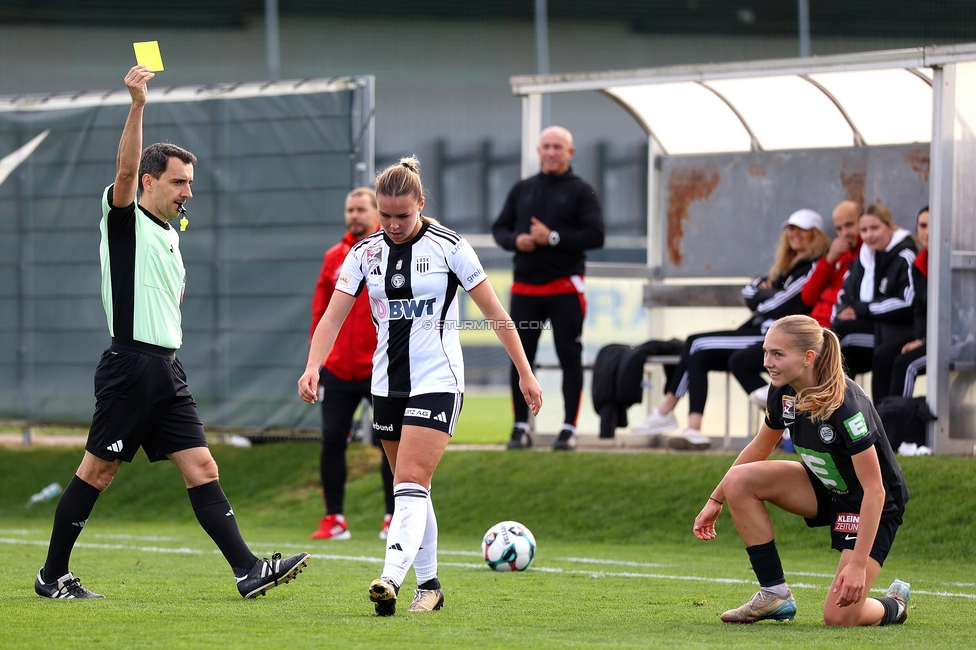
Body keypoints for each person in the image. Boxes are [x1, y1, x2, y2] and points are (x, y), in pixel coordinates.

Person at [34, 65, 309, 600]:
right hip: (131, 367)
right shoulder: (125, 219)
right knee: (97, 473)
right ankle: (51, 577)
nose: (187, 191)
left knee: (202, 465)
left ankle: (248, 570)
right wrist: (137, 105)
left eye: (189, 182)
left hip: (166, 369)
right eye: (179, 181)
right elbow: (124, 165)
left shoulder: (169, 235)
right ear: (149, 182)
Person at [298, 157, 543, 616]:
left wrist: (525, 372)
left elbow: (495, 312)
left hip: (438, 380)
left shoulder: (451, 247)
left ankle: (390, 577)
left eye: (402, 216)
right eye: (384, 215)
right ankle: (429, 586)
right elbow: (333, 316)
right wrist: (314, 366)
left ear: (421, 205)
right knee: (414, 488)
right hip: (387, 383)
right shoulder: (363, 253)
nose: (392, 225)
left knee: (407, 480)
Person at [693, 314, 910, 626]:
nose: (768, 362)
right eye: (766, 352)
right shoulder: (782, 390)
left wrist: (858, 565)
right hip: (824, 487)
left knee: (839, 618)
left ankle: (895, 604)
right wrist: (715, 500)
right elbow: (758, 448)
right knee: (738, 480)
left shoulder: (847, 405)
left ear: (809, 357)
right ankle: (774, 594)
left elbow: (875, 490)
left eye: (778, 354)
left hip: (873, 505)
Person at [634, 209, 829, 450]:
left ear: (816, 235)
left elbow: (777, 304)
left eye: (802, 230)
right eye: (792, 229)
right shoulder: (786, 266)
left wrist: (764, 295)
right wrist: (765, 294)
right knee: (698, 352)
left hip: (772, 335)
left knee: (696, 343)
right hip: (760, 330)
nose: (795, 234)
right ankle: (693, 429)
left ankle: (666, 411)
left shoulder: (814, 266)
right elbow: (749, 292)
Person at [491, 126, 605, 451]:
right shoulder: (522, 189)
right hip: (526, 290)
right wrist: (516, 240)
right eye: (546, 147)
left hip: (564, 288)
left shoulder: (581, 191)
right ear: (538, 151)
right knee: (520, 358)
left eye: (558, 147)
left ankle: (568, 428)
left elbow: (596, 235)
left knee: (569, 355)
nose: (551, 152)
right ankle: (520, 426)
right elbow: (499, 228)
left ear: (570, 152)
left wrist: (552, 238)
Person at [308, 187, 395, 541]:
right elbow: (320, 313)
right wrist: (314, 363)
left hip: (380, 366)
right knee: (332, 441)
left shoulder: (390, 253)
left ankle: (394, 517)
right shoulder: (334, 257)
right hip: (338, 369)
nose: (354, 216)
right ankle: (334, 519)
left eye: (361, 209)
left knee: (390, 442)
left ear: (376, 213)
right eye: (350, 209)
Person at [730, 200, 861, 409]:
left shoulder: (855, 255)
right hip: (811, 327)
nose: (845, 233)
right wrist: (830, 259)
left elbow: (787, 303)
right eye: (839, 228)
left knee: (700, 347)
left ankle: (785, 404)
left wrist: (766, 300)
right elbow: (754, 292)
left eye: (850, 225)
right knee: (729, 356)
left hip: (821, 329)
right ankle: (784, 412)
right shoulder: (831, 257)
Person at [832, 204, 919, 403]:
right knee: (843, 356)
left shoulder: (905, 256)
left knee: (837, 338)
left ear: (889, 226)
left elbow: (907, 302)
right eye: (864, 230)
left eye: (875, 228)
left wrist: (862, 308)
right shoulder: (864, 257)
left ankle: (879, 420)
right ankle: (839, 413)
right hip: (873, 328)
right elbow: (845, 292)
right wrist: (844, 310)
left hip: (898, 330)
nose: (869, 235)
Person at [887, 206, 929, 400]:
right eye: (922, 225)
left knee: (906, 364)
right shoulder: (920, 262)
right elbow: (920, 309)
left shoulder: (959, 260)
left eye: (933, 225)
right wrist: (921, 339)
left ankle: (896, 426)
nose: (927, 232)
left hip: (960, 340)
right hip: (931, 337)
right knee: (883, 356)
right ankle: (879, 422)